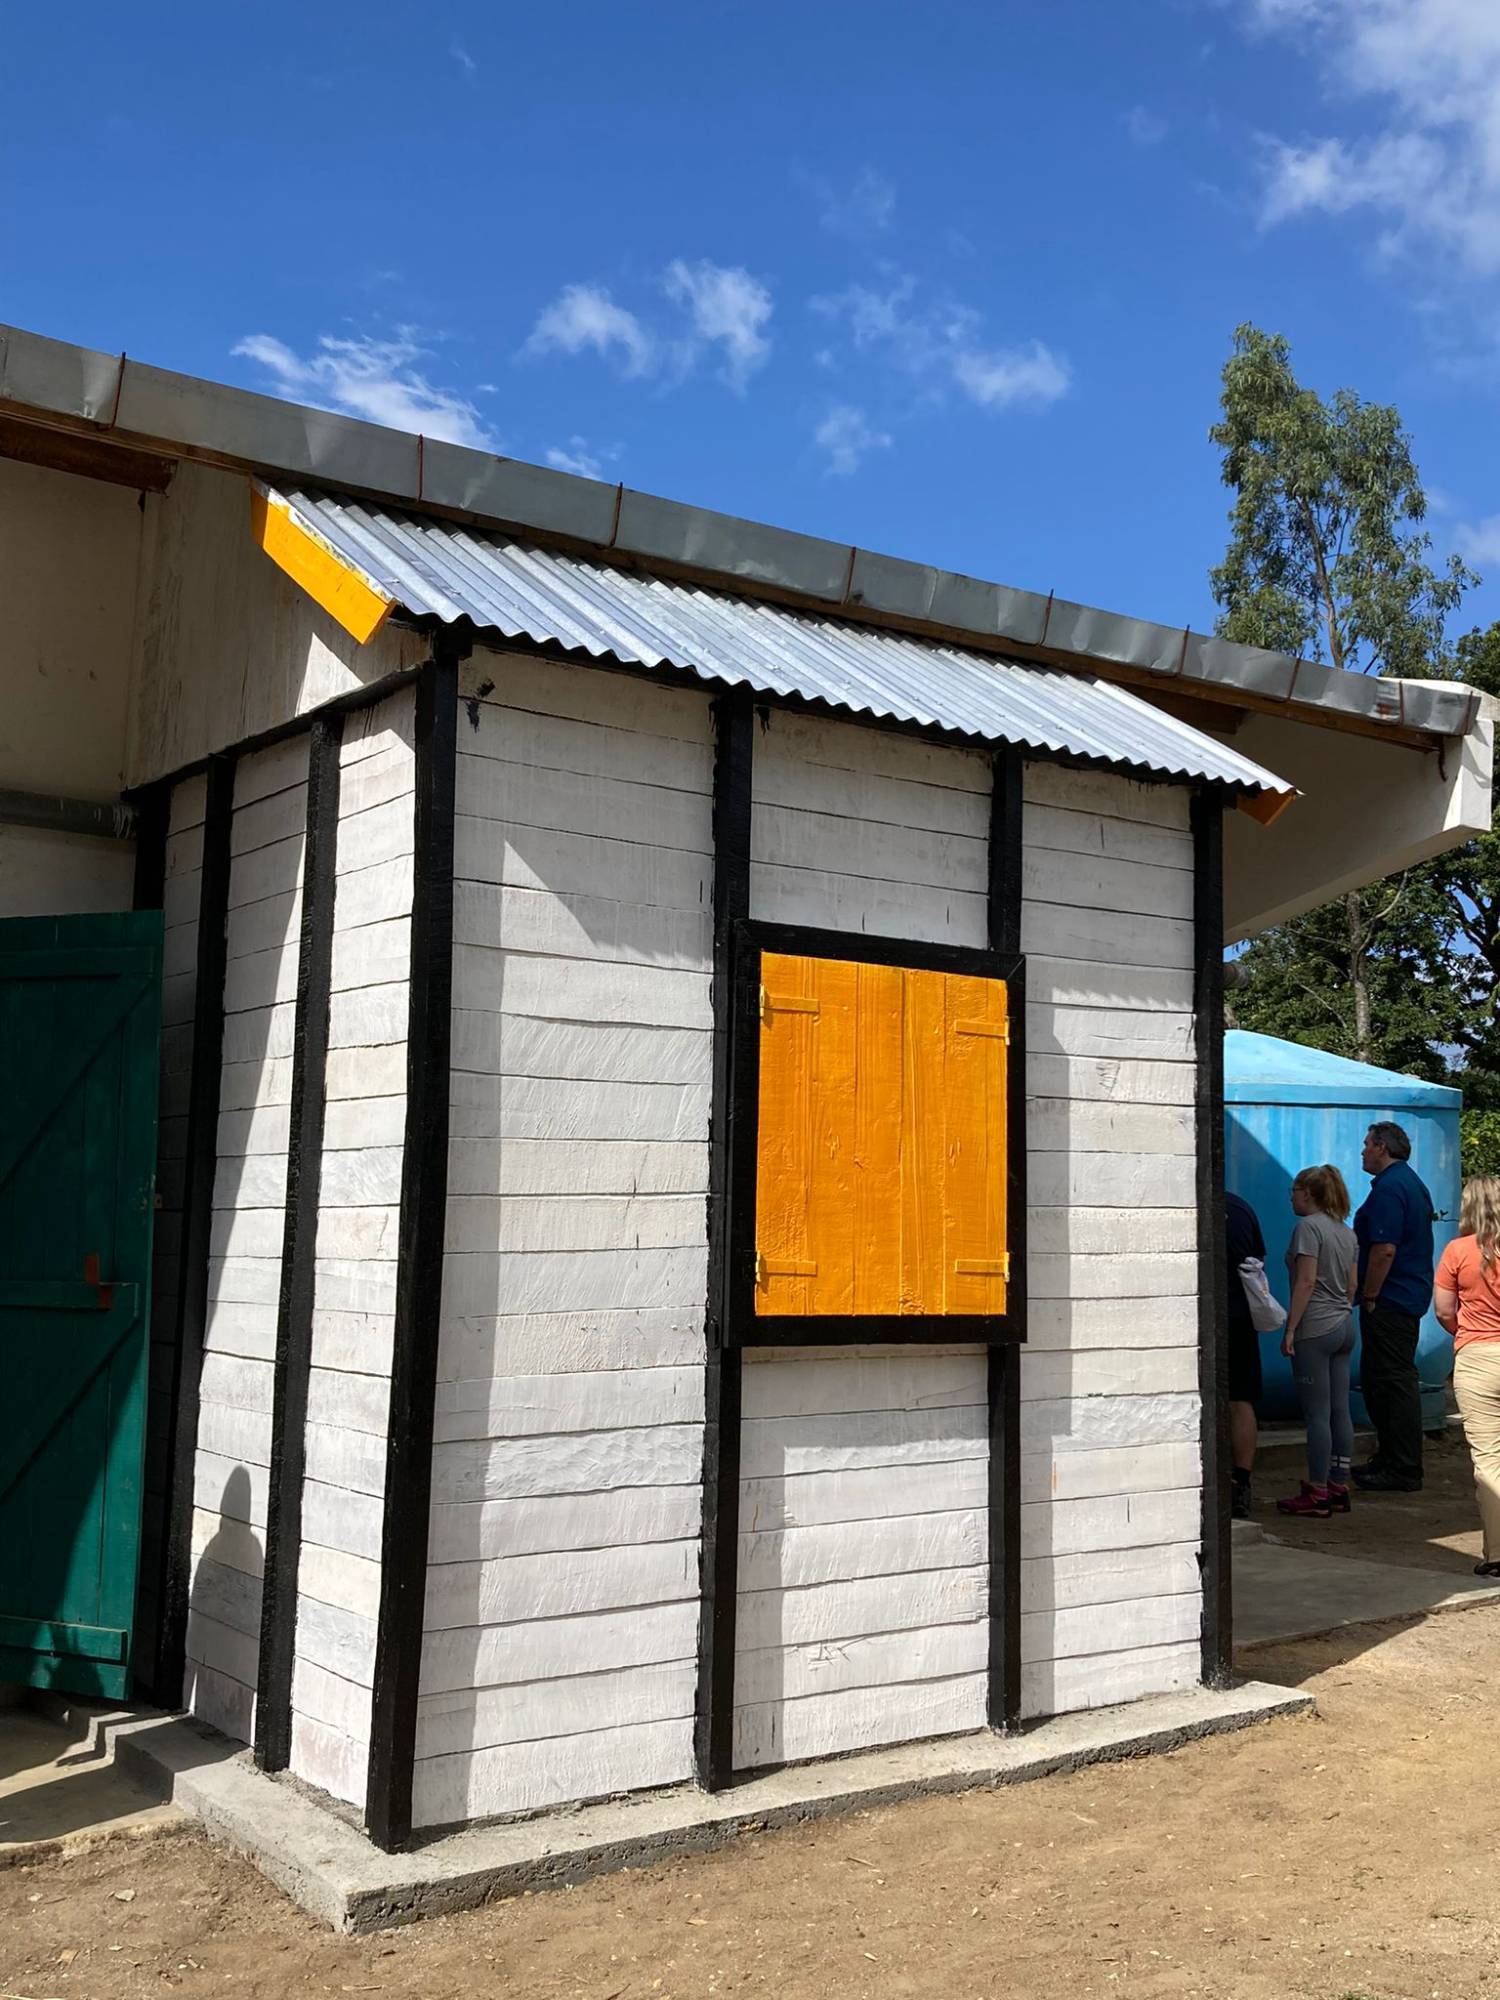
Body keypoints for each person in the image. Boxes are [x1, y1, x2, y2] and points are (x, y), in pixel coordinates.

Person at [1351, 1121, 1435, 1492]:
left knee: (1390, 1382)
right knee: (1386, 1380)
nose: (1363, 1151)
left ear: (1382, 1147)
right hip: (1404, 1295)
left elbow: (1384, 1248)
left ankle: (1401, 1466)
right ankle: (1392, 1458)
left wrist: (1369, 1295)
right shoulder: (1411, 1183)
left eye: (1367, 1145)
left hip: (1390, 1299)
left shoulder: (1390, 1188)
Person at [1276, 1165, 1359, 1518]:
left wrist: (1291, 1328)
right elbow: (1353, 1285)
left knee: (1317, 1414)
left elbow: (1306, 1282)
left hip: (1315, 1328)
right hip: (1343, 1325)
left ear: (1308, 1194)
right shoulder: (1346, 1232)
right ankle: (1339, 1483)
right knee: (1341, 1409)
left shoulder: (1308, 1228)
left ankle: (1317, 1490)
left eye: (1295, 1190)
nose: (1291, 1196)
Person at [1432, 1177, 1500, 1578]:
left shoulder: (1458, 1250)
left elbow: (1442, 1309)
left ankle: (1496, 1554)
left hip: (1476, 1357)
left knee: (1490, 1459)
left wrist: (1465, 1332)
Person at [1225, 1189, 1266, 1519]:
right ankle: (1241, 1483)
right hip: (1241, 1316)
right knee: (1241, 1400)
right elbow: (1257, 1262)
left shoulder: (1191, 1203)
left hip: (1201, 1318)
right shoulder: (1242, 1207)